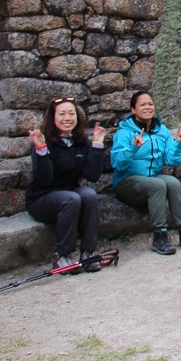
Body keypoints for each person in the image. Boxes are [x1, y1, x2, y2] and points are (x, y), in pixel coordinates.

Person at [110, 91, 181, 255]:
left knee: (173, 183)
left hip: (152, 179)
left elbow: (171, 160)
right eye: (142, 105)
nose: (147, 107)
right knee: (158, 185)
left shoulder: (161, 130)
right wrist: (132, 148)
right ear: (133, 109)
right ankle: (159, 235)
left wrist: (179, 144)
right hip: (127, 182)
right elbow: (117, 163)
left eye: (150, 104)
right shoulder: (124, 133)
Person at [26, 97, 106, 273]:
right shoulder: (44, 141)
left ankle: (88, 252)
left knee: (90, 195)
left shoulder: (80, 142)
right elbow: (44, 179)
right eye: (62, 114)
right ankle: (62, 255)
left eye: (71, 113)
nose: (67, 118)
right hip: (41, 198)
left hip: (69, 193)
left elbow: (92, 175)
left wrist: (97, 144)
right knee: (71, 199)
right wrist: (41, 150)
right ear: (53, 118)